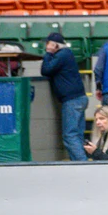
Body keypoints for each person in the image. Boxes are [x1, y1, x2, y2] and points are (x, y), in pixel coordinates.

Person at [40, 32, 88, 161]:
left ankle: (83, 165)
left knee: (70, 136)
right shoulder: (66, 54)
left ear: (55, 45)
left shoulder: (63, 54)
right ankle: (80, 164)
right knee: (77, 135)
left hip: (72, 100)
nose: (46, 46)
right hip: (78, 98)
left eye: (48, 44)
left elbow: (46, 70)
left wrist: (49, 53)